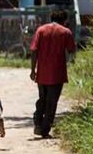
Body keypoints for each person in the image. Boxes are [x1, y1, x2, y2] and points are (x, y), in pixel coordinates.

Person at [30, 9, 76, 138]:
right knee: (52, 101)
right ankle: (45, 129)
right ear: (64, 20)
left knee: (42, 98)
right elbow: (72, 50)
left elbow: (34, 50)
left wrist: (33, 69)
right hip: (57, 72)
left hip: (42, 72)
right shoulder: (66, 32)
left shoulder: (41, 30)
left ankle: (38, 121)